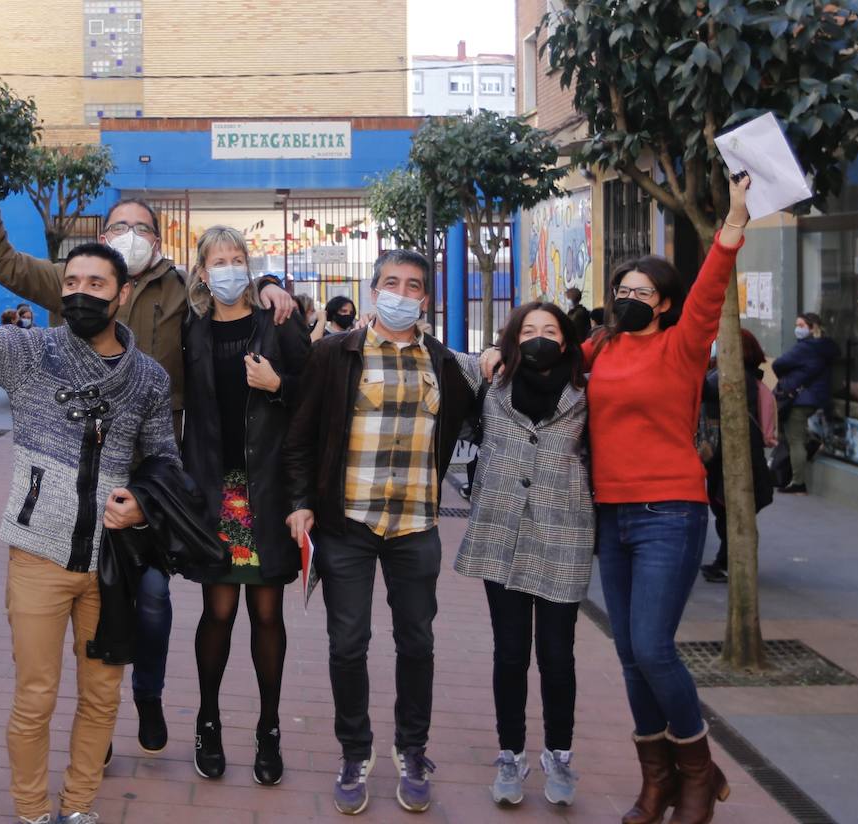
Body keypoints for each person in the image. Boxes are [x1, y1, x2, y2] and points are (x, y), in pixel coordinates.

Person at [0, 148, 296, 755]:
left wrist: (269, 283)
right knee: (93, 593)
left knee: (153, 597)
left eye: (143, 228)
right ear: (103, 236)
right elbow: (1, 261)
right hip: (80, 459)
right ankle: (104, 717)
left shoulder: (183, 295)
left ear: (160, 242)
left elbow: (233, 310)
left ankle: (147, 695)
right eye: (120, 227)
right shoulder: (79, 277)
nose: (131, 236)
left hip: (157, 464)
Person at [0, 181, 180, 824]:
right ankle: (34, 810)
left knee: (100, 697)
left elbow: (165, 463)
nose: (82, 293)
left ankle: (81, 807)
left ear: (121, 294)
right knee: (35, 697)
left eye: (98, 284)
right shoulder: (32, 353)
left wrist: (143, 505)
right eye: (73, 283)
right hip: (38, 559)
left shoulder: (148, 377)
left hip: (111, 564)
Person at [582, 170, 750, 824]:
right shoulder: (603, 348)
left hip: (669, 514)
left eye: (640, 292)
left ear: (665, 304)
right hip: (611, 514)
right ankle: (658, 783)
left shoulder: (683, 346)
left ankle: (699, 772)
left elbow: (710, 288)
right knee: (628, 655)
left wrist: (733, 222)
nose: (626, 299)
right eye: (620, 289)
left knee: (653, 646)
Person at [284, 250, 476, 815]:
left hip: (417, 525)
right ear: (373, 291)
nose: (401, 292)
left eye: (413, 285)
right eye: (391, 282)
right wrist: (300, 503)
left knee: (417, 642)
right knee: (348, 644)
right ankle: (354, 750)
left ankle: (412, 749)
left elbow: (484, 405)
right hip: (348, 524)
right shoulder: (333, 355)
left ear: (425, 299)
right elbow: (300, 437)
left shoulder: (444, 364)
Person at [181, 227, 310, 785]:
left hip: (266, 490)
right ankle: (207, 720)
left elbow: (314, 397)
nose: (230, 268)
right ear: (204, 273)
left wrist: (277, 383)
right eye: (219, 260)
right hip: (216, 490)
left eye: (239, 259)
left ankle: (268, 728)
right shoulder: (191, 329)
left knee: (266, 614)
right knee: (219, 612)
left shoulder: (278, 322)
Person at [455, 301, 592, 809]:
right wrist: (489, 352)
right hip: (502, 531)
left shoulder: (587, 390)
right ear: (512, 338)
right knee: (510, 653)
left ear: (565, 338)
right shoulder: (490, 381)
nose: (539, 337)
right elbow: (436, 355)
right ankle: (510, 754)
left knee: (557, 656)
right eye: (528, 329)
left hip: (564, 534)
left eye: (549, 330)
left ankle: (559, 753)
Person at [698, 330, 778, 584]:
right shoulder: (749, 378)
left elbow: (705, 393)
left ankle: (731, 563)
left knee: (730, 512)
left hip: (731, 456)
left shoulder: (732, 378)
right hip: (733, 455)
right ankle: (728, 561)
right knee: (731, 512)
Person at [772, 313, 839, 494]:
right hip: (816, 397)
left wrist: (789, 377)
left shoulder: (805, 348)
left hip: (799, 399)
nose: (797, 329)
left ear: (812, 328)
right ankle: (813, 443)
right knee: (795, 435)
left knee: (795, 441)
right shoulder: (825, 347)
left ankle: (798, 483)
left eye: (801, 325)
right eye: (796, 325)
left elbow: (778, 364)